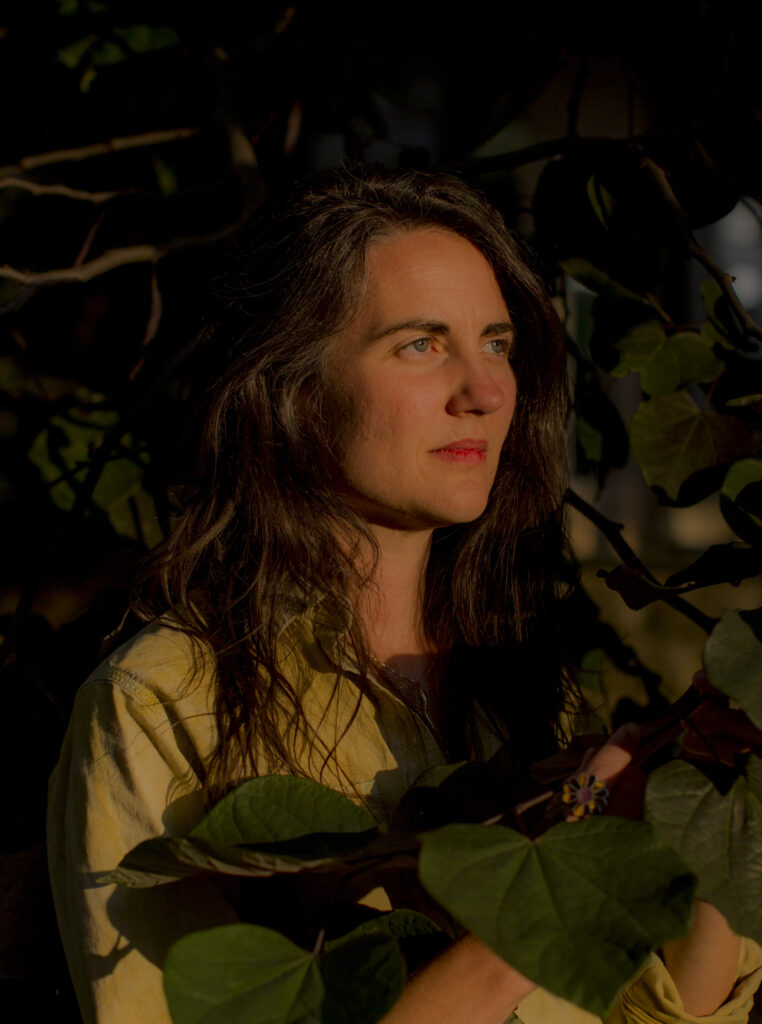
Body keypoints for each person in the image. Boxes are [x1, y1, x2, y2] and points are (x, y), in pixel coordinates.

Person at [47, 167, 762, 1024]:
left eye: (497, 343)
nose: (488, 391)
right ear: (298, 390)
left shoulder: (518, 683)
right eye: (421, 344)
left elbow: (656, 1012)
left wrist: (721, 790)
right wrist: (544, 888)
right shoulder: (162, 705)